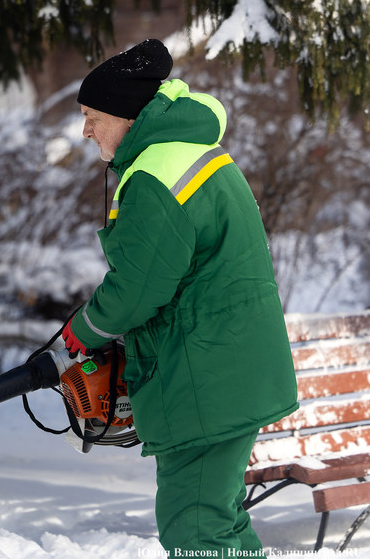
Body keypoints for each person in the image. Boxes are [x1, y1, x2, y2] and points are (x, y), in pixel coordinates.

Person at [61, 39, 298, 554]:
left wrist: (82, 331)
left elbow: (138, 288)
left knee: (194, 527)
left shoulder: (153, 175)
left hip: (205, 376)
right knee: (219, 517)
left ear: (124, 117)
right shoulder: (190, 151)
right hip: (231, 365)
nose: (86, 131)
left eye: (92, 117)